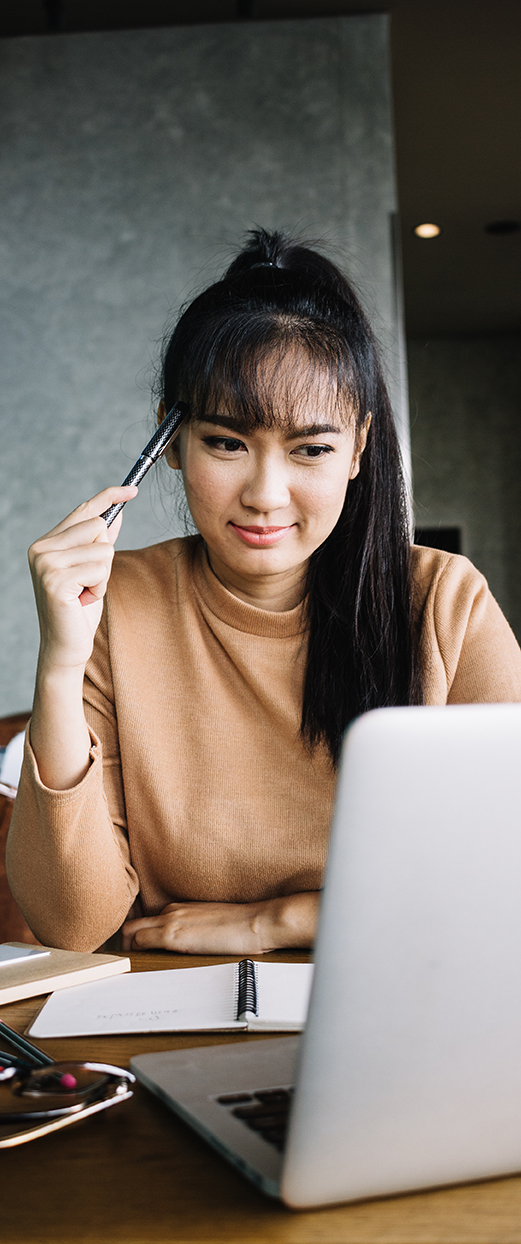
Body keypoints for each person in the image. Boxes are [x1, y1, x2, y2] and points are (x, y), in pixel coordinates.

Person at [7, 230, 521, 954]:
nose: (265, 495)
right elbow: (72, 924)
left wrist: (279, 920)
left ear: (358, 449)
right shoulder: (114, 606)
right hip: (172, 1001)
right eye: (226, 442)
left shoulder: (443, 601)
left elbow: (505, 877)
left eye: (311, 449)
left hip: (402, 987)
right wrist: (59, 665)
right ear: (172, 440)